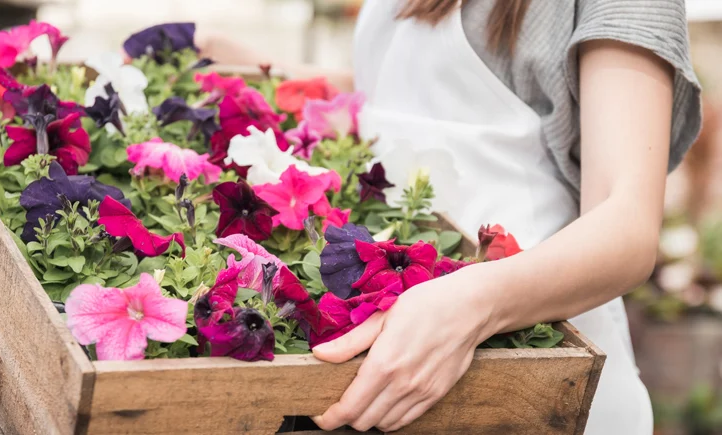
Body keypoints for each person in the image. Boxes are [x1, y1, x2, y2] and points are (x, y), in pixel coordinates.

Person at [197, 0, 701, 433]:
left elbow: (625, 225)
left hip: (529, 368)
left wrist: (468, 305)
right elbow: (400, 97)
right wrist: (252, 67)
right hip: (404, 353)